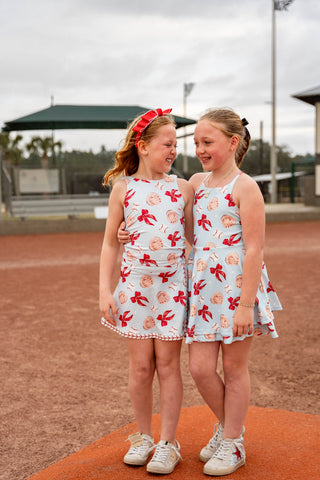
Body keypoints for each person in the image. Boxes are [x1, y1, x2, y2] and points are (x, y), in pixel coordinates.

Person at [187, 108, 282, 476]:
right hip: (204, 289)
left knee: (233, 367)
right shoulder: (195, 182)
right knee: (198, 368)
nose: (199, 149)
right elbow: (175, 222)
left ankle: (232, 443)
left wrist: (245, 306)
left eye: (207, 142)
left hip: (236, 288)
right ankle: (230, 429)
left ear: (233, 142)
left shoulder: (246, 187)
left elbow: (255, 249)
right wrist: (125, 233)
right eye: (196, 142)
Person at [99, 108, 193, 475]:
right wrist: (104, 291)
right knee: (140, 368)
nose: (173, 150)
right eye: (167, 144)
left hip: (172, 289)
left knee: (168, 366)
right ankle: (143, 437)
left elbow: (193, 236)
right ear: (143, 146)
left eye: (175, 144)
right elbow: (109, 244)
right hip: (135, 289)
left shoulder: (183, 188)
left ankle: (168, 443)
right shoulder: (123, 188)